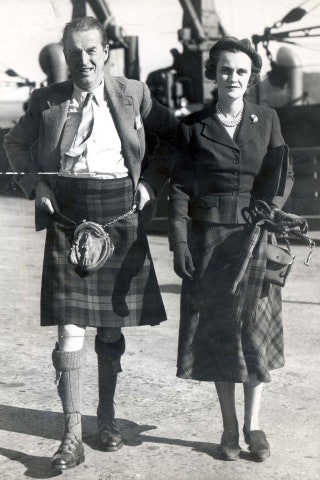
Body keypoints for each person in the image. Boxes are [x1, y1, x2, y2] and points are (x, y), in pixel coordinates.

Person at [4, 16, 178, 471]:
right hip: (68, 212)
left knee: (111, 330)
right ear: (65, 55)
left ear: (105, 52)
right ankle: (72, 436)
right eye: (74, 52)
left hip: (120, 208)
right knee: (69, 329)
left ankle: (107, 418)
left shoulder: (134, 94)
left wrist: (151, 184)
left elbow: (171, 138)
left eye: (91, 50)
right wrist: (36, 185)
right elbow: (15, 144)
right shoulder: (47, 101)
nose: (83, 60)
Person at [168, 36, 295, 462]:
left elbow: (284, 174)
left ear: (251, 76)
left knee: (254, 333)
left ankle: (253, 425)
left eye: (241, 71)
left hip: (257, 237)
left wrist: (269, 210)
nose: (233, 77)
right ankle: (226, 428)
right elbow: (181, 188)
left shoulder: (268, 118)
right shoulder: (193, 126)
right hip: (210, 241)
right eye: (225, 70)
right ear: (213, 75)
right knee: (221, 335)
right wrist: (180, 241)